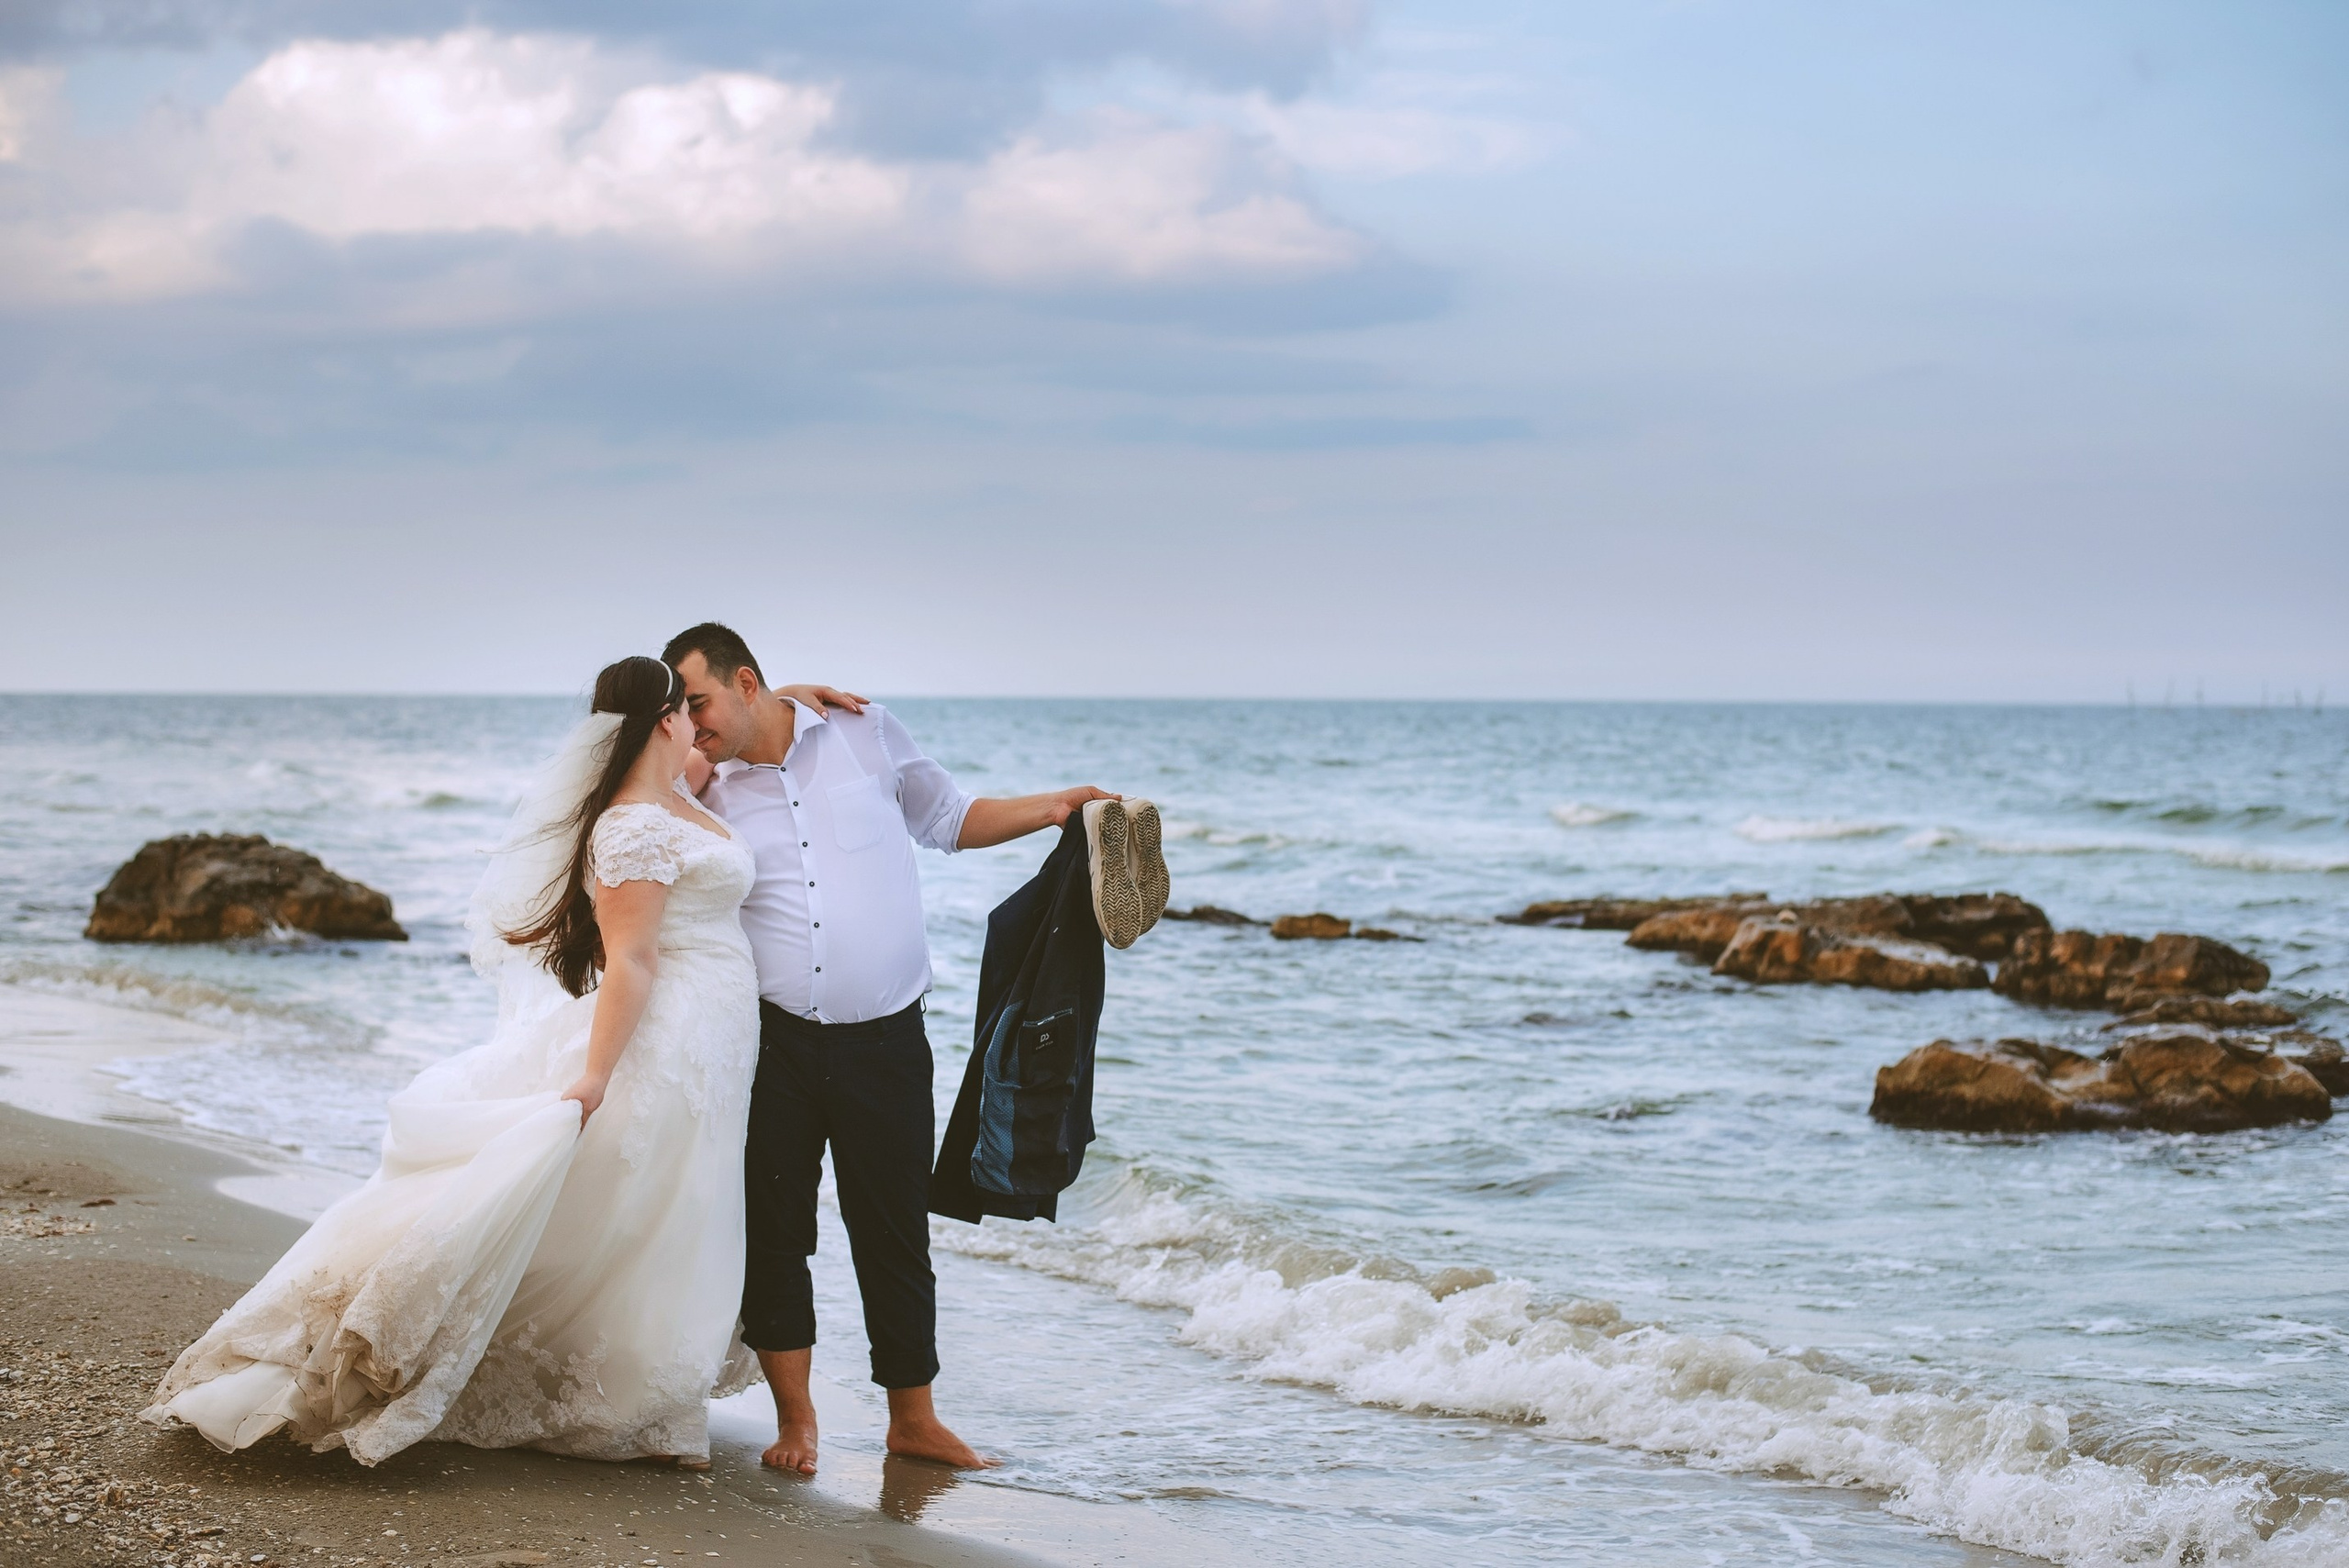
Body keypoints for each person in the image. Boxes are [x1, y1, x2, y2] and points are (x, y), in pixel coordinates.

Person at [142, 656, 833, 1466]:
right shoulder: (631, 825)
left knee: (680, 1196)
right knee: (645, 1194)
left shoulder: (676, 790)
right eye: (686, 708)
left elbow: (734, 741)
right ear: (659, 721)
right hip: (673, 1032)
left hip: (721, 1035)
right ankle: (612, 1388)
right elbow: (633, 960)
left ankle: (644, 1381)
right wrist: (596, 1078)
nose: (697, 723)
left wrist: (790, 699)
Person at [663, 622, 1114, 1476]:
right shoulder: (702, 781)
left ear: (746, 682)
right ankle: (797, 1422)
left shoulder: (865, 732)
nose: (691, 720)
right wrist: (712, 739)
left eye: (700, 701)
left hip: (887, 1040)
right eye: (678, 711)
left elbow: (947, 818)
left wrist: (1052, 808)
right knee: (774, 1233)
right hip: (774, 1045)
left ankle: (915, 1418)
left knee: (894, 1231)